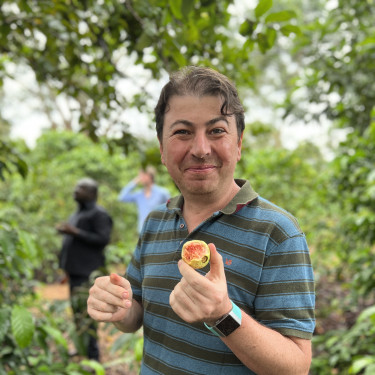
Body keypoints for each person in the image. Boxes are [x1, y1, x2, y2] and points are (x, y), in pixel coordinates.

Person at [87, 66, 315, 374]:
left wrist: (222, 314)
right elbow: (137, 313)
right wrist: (118, 305)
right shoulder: (157, 221)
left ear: (239, 143)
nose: (200, 149)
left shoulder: (278, 233)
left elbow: (296, 367)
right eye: (182, 132)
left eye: (217, 131)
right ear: (162, 149)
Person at [57, 177, 113, 361]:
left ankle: (93, 357)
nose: (76, 189)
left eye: (81, 188)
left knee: (87, 315)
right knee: (77, 314)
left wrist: (75, 232)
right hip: (74, 272)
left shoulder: (99, 214)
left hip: (88, 274)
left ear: (92, 193)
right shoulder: (78, 214)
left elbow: (103, 239)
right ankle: (83, 350)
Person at [118, 166, 170, 233]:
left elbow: (170, 209)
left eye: (142, 175)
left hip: (159, 231)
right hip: (143, 232)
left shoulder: (162, 193)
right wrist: (134, 182)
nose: (140, 178)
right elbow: (122, 197)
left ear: (150, 176)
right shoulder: (139, 195)